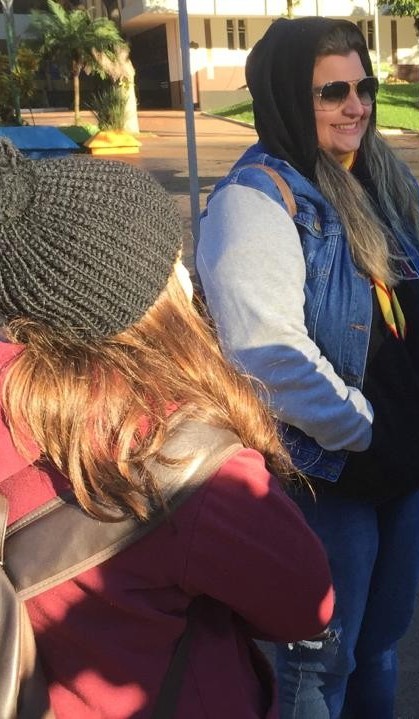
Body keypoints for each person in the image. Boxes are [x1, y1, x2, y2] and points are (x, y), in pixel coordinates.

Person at [0, 138, 334, 718]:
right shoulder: (186, 463)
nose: (186, 272)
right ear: (146, 302)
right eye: (172, 261)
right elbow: (307, 606)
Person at [196, 16, 419, 719]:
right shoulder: (257, 200)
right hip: (330, 475)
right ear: (289, 98)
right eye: (333, 92)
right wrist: (363, 429)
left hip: (403, 459)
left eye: (364, 86)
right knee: (319, 663)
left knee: (380, 641)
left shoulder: (382, 174)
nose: (357, 105)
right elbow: (267, 354)